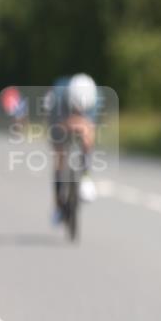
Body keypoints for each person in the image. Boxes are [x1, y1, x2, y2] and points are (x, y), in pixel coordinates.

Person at [46, 74, 99, 222]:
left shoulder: (94, 98)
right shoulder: (57, 96)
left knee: (87, 135)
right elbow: (55, 126)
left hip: (83, 115)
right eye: (76, 108)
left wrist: (84, 128)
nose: (78, 110)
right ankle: (57, 204)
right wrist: (66, 124)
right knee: (60, 155)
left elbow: (91, 126)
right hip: (59, 116)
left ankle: (86, 175)